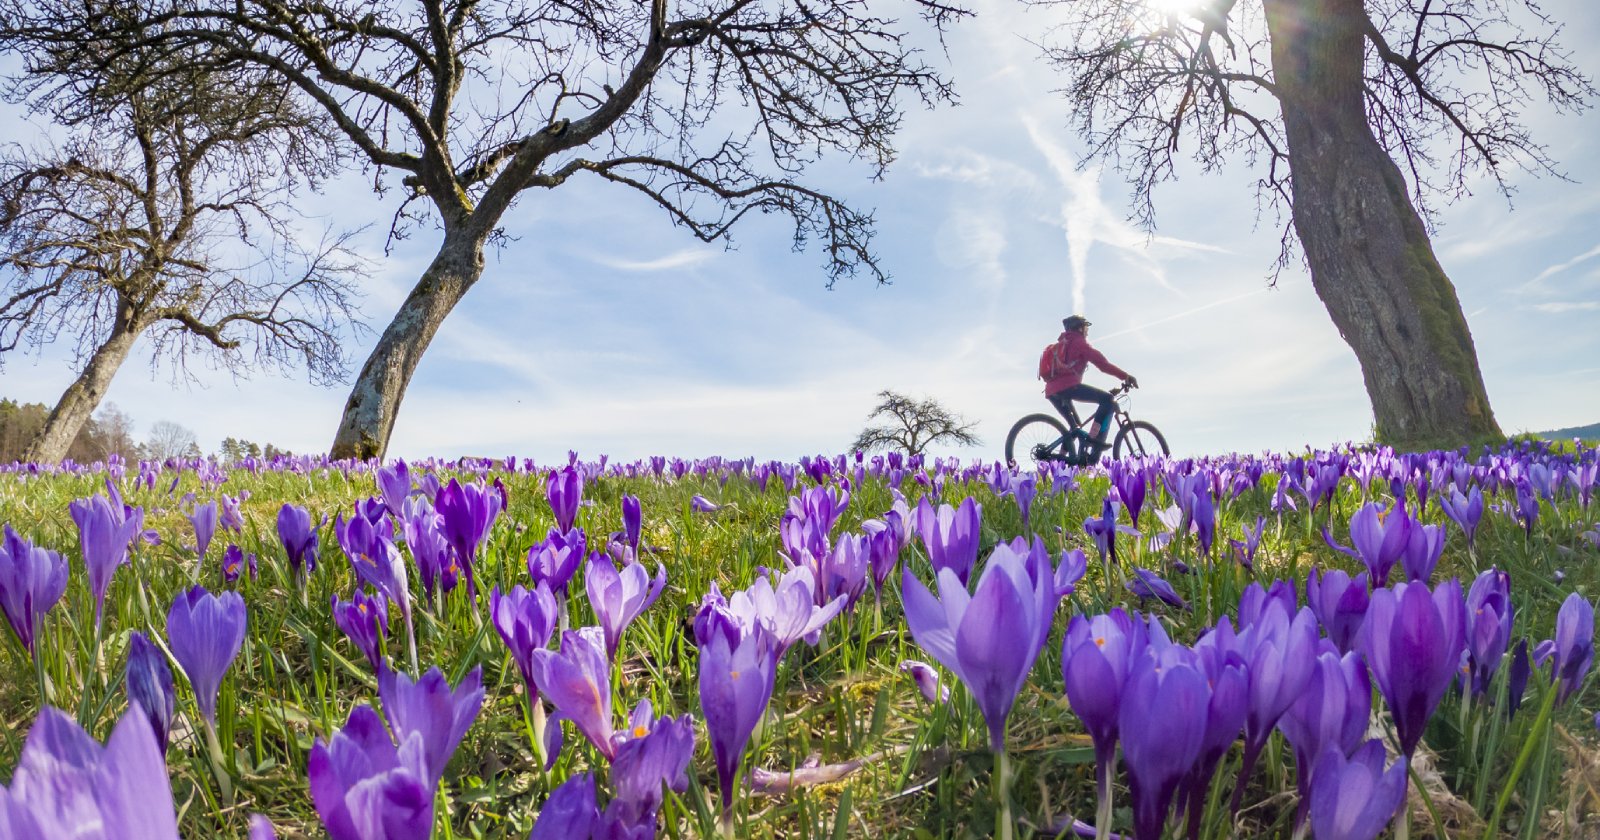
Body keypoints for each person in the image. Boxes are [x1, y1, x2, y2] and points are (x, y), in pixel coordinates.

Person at [1040, 315, 1137, 456]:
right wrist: (1125, 376)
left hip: (1052, 391)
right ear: (1079, 328)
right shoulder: (1079, 343)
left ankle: (1060, 461)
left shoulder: (1062, 344)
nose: (1087, 331)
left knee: (1075, 428)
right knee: (1107, 399)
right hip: (1068, 387)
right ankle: (1093, 439)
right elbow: (1103, 365)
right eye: (1086, 327)